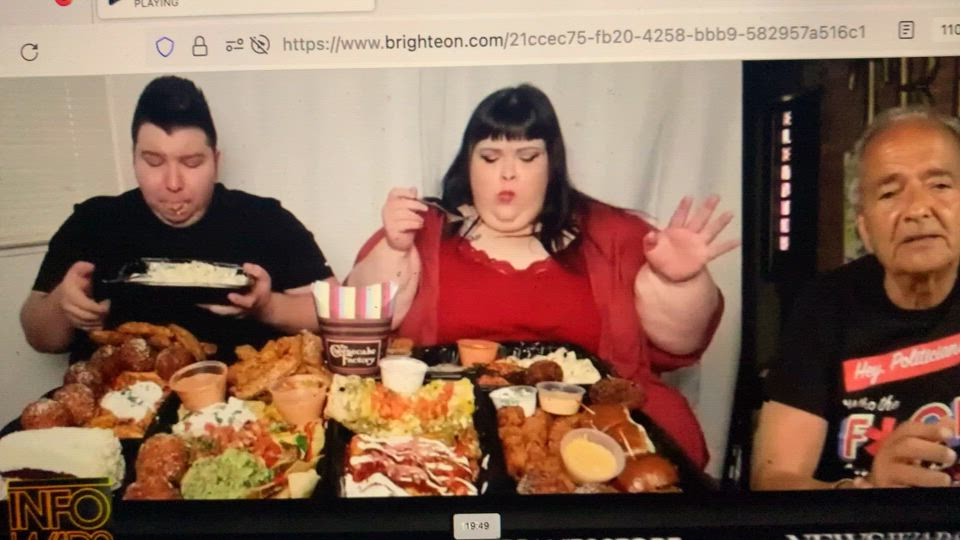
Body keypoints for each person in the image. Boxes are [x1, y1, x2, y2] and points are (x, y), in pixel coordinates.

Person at [345, 84, 738, 468]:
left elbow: (681, 343)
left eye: (528, 156)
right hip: (445, 426)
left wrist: (679, 282)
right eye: (490, 157)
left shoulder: (616, 234)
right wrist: (394, 247)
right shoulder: (424, 228)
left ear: (552, 165)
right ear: (468, 164)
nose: (508, 173)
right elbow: (355, 325)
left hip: (597, 427)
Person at [20, 75, 334, 361]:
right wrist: (63, 302)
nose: (173, 183)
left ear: (216, 162)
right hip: (113, 395)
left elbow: (335, 310)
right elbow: (40, 338)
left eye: (191, 162)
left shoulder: (266, 219)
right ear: (134, 159)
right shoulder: (93, 221)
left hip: (238, 399)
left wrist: (267, 307)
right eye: (154, 161)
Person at [752, 106, 960, 490]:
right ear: (864, 228)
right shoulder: (825, 306)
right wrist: (867, 492)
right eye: (890, 193)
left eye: (940, 186)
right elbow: (773, 478)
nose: (917, 209)